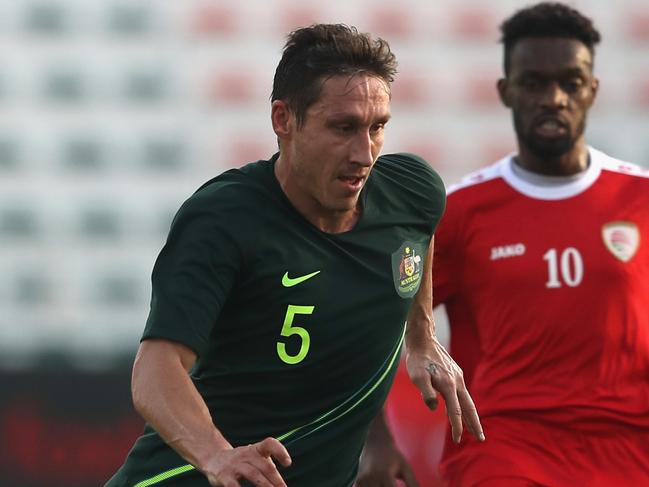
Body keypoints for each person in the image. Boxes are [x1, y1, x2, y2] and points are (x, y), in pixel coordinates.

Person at [104, 24, 483, 487]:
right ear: (283, 119)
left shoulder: (413, 191)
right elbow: (155, 372)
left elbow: (419, 237)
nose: (365, 153)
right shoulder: (224, 218)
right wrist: (218, 456)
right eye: (342, 128)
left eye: (377, 127)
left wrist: (420, 337)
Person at [358, 3, 649, 486]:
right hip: (504, 452)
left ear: (592, 90)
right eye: (534, 82)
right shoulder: (461, 211)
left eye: (571, 83)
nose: (553, 98)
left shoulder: (640, 199)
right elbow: (372, 322)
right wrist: (377, 443)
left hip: (629, 453)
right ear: (506, 90)